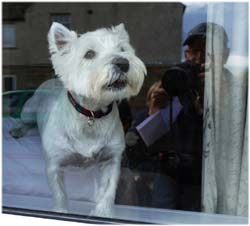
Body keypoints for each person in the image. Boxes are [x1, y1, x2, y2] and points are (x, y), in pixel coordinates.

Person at [161, 22, 230, 211]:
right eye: (194, 51)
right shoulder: (179, 85)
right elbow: (142, 143)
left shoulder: (235, 90)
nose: (199, 59)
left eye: (208, 52)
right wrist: (155, 110)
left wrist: (220, 97)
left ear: (225, 55)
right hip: (179, 181)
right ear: (186, 54)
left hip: (222, 182)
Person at [123, 81, 178, 209]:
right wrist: (153, 113)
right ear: (149, 99)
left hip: (166, 174)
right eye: (156, 95)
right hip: (143, 173)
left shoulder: (174, 117)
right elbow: (131, 143)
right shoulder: (141, 116)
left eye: (164, 95)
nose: (160, 98)